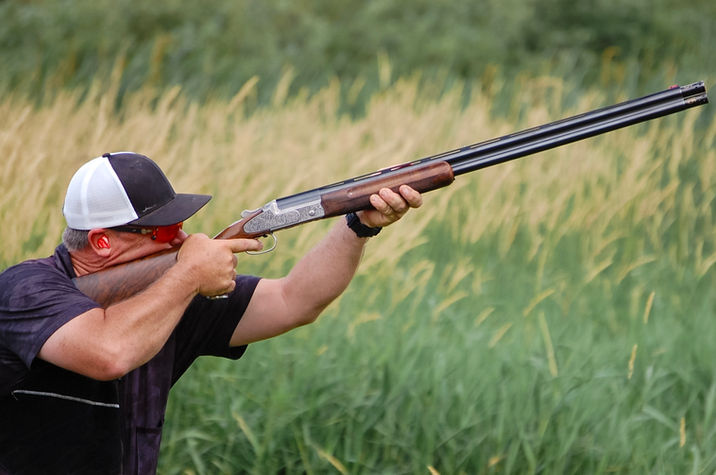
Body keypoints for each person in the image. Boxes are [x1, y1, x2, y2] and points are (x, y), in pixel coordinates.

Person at [0, 151, 422, 474]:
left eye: (180, 224)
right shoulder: (25, 289)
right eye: (166, 230)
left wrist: (358, 225)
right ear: (102, 242)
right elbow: (109, 352)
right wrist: (188, 276)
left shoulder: (168, 293)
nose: (183, 238)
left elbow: (295, 300)